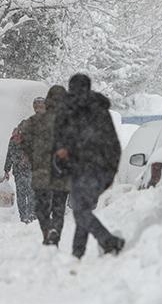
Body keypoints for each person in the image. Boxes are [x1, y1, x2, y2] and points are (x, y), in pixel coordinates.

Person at [54, 74, 125, 258]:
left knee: (80, 210)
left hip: (80, 168)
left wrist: (61, 162)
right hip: (100, 168)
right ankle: (77, 253)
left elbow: (61, 143)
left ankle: (109, 241)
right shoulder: (100, 110)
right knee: (82, 209)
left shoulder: (67, 109)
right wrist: (111, 170)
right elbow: (113, 143)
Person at [20, 85, 71, 246]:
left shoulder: (33, 121)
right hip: (62, 172)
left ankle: (46, 231)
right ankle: (55, 231)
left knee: (41, 206)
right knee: (58, 207)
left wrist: (34, 157)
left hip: (41, 171)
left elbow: (24, 142)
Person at [3, 97, 41, 223]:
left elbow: (10, 154)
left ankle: (24, 215)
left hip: (19, 170)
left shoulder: (14, 138)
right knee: (30, 192)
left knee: (22, 193)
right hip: (30, 168)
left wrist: (7, 169)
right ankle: (30, 214)